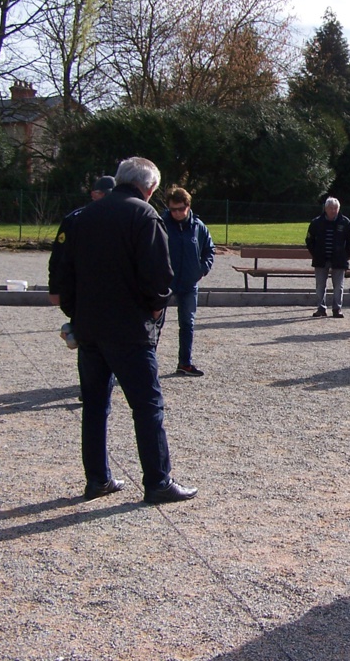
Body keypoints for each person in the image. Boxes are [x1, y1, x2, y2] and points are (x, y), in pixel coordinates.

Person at [57, 157, 197, 504]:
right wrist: (155, 305)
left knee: (94, 405)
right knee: (147, 405)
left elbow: (64, 273)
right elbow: (158, 274)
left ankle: (98, 479)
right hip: (129, 327)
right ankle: (157, 481)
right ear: (148, 188)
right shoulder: (144, 215)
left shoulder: (84, 216)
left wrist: (75, 314)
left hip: (89, 326)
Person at [162, 186, 215, 377]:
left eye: (180, 209)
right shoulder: (160, 224)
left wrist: (202, 270)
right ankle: (146, 367)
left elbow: (209, 250)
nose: (176, 213)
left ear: (188, 206)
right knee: (154, 324)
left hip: (189, 283)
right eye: (172, 209)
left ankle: (185, 363)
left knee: (187, 323)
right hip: (163, 282)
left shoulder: (198, 226)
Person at [47, 175, 115, 306]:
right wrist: (54, 288)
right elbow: (58, 255)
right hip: (82, 286)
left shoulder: (122, 219)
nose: (107, 198)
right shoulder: (74, 219)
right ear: (93, 195)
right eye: (103, 194)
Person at [305, 197, 350, 318]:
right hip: (321, 259)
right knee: (320, 285)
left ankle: (337, 309)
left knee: (339, 286)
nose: (333, 211)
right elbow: (309, 240)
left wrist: (346, 256)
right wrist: (315, 253)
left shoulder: (346, 222)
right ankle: (321, 308)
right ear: (325, 209)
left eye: (335, 208)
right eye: (331, 208)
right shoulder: (316, 222)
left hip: (339, 260)